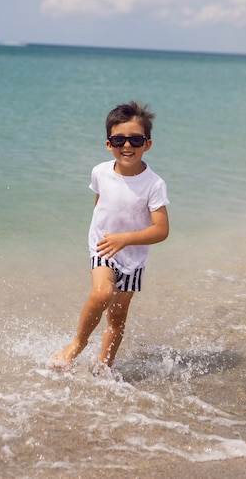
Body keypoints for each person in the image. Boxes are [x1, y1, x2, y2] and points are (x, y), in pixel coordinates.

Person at [53, 101, 169, 371]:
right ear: (109, 144)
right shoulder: (100, 172)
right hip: (104, 247)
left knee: (117, 317)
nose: (127, 146)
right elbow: (101, 203)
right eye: (119, 139)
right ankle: (77, 345)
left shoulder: (154, 184)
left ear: (147, 144)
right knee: (102, 293)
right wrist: (105, 239)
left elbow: (161, 230)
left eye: (135, 139)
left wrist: (125, 239)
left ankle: (103, 367)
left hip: (133, 257)